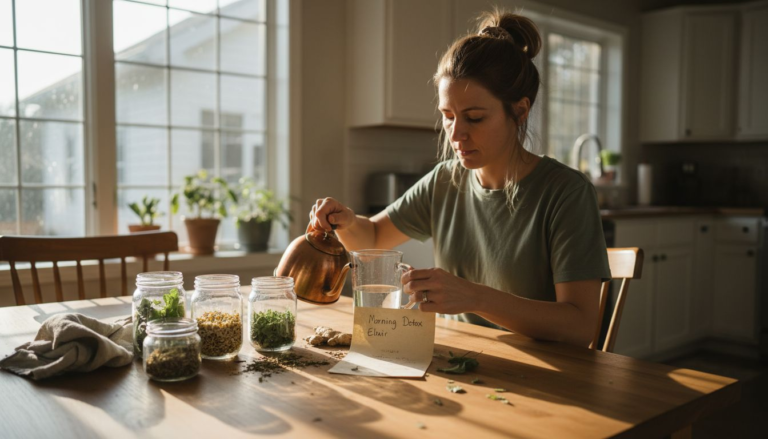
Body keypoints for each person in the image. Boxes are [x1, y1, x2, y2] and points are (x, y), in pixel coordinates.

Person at [309, 10, 611, 347]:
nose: (457, 134)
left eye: (475, 118)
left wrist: (475, 297)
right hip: (465, 364)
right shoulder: (445, 181)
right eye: (448, 116)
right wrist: (346, 222)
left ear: (521, 111)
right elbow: (375, 237)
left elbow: (582, 325)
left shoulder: (566, 192)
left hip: (548, 376)